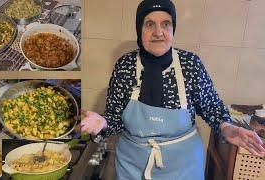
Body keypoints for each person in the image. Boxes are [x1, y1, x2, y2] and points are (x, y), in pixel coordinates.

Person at [80, 0, 265, 179]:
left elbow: (212, 108)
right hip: (132, 167)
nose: (158, 32)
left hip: (183, 168)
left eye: (166, 24)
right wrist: (103, 122)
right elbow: (116, 118)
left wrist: (227, 128)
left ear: (173, 28)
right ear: (139, 28)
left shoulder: (190, 64)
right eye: (149, 24)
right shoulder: (125, 66)